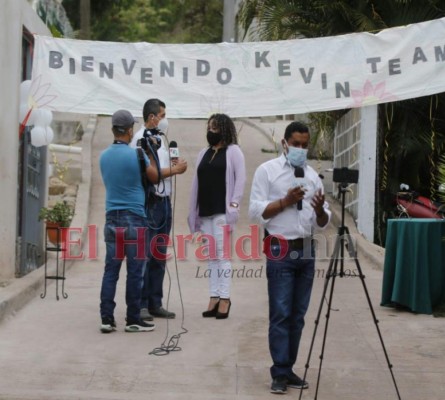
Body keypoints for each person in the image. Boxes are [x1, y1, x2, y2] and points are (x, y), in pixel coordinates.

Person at [248, 121, 331, 394]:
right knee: (281, 313)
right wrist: (285, 200)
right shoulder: (267, 171)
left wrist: (320, 212)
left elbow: (322, 220)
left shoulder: (312, 176)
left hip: (306, 248)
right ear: (284, 143)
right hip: (279, 248)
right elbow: (255, 211)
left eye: (305, 145)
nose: (300, 149)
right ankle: (279, 372)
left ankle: (289, 368)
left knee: (298, 315)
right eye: (296, 144)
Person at [99, 109, 159, 333]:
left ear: (113, 129)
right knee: (135, 270)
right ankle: (133, 318)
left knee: (110, 270)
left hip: (111, 218)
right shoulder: (137, 155)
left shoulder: (103, 156)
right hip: (135, 218)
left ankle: (106, 318)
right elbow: (154, 176)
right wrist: (151, 153)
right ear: (130, 130)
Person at [130, 99, 187, 321]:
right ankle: (142, 305)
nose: (165, 119)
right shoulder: (139, 140)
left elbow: (163, 167)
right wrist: (174, 170)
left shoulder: (160, 139)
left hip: (164, 201)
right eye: (162, 115)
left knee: (159, 254)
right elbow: (150, 173)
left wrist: (174, 165)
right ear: (152, 117)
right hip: (150, 201)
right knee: (145, 254)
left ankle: (155, 302)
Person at [188, 113, 246, 320]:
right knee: (211, 256)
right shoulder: (204, 152)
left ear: (224, 130)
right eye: (209, 128)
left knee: (222, 256)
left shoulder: (234, 152)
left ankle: (225, 298)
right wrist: (193, 211)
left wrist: (234, 205)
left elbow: (240, 180)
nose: (210, 132)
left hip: (222, 211)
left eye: (214, 128)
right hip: (205, 212)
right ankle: (213, 296)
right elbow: (197, 182)